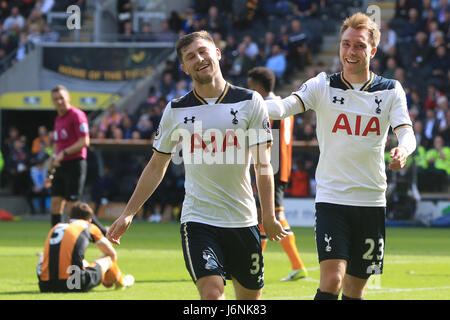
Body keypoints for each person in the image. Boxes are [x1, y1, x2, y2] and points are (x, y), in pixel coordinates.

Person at [106, 30, 287, 300]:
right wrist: (129, 212)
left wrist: (269, 216)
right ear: (184, 67)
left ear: (217, 53)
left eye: (203, 51)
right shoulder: (175, 109)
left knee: (250, 301)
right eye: (190, 57)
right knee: (212, 295)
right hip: (198, 220)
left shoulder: (251, 102)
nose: (199, 59)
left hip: (243, 219)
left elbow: (263, 165)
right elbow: (157, 165)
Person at [265, 13, 416, 300]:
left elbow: (406, 132)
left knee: (355, 288)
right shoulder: (322, 85)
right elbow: (282, 108)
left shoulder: (390, 90)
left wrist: (403, 149)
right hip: (332, 199)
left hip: (371, 200)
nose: (351, 51)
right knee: (332, 279)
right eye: (346, 44)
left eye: (359, 46)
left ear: (372, 50)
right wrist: (242, 101)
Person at [247, 66, 308, 281]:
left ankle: (297, 265)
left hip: (272, 167)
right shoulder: (283, 105)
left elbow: (266, 139)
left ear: (256, 86)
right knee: (263, 217)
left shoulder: (268, 107)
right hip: (282, 165)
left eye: (250, 85)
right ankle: (254, 263)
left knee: (275, 216)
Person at [46, 85, 107, 235]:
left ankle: (100, 232)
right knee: (55, 203)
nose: (59, 101)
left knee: (74, 205)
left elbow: (84, 141)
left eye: (61, 98)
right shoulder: (58, 119)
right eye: (56, 99)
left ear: (68, 98)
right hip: (61, 165)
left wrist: (64, 152)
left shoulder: (77, 115)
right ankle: (56, 239)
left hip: (75, 163)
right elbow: (56, 144)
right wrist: (52, 163)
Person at [37, 201, 134, 292]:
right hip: (74, 284)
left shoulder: (56, 227)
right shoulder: (88, 226)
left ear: (69, 218)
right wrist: (106, 273)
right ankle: (121, 282)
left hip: (45, 285)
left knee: (43, 256)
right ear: (90, 220)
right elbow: (111, 254)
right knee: (108, 259)